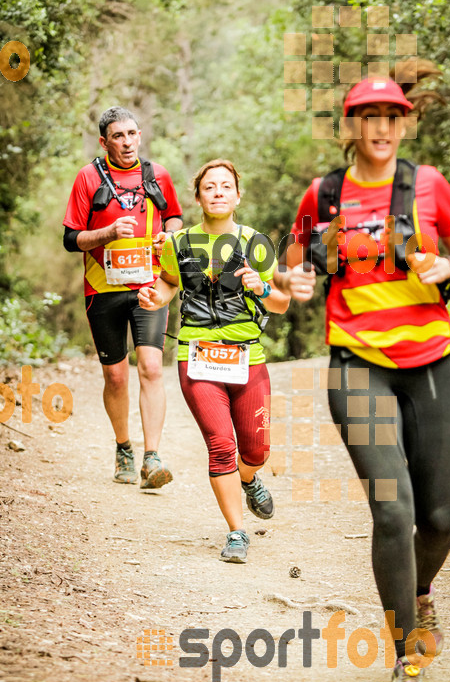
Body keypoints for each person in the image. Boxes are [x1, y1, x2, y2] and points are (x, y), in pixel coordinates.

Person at [274, 63, 450, 682]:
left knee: (441, 519)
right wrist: (295, 282)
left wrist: (448, 265)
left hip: (433, 366)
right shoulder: (325, 196)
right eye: (370, 118)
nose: (382, 128)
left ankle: (419, 595)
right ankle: (405, 658)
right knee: (393, 510)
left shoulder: (430, 188)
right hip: (357, 366)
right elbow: (292, 266)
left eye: (392, 118)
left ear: (403, 122)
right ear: (354, 126)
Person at [138, 159, 290, 562]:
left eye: (226, 186)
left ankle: (250, 476)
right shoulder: (179, 242)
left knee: (256, 449)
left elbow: (282, 301)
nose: (219, 192)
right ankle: (237, 533)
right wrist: (155, 297)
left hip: (247, 357)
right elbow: (169, 282)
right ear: (199, 196)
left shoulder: (257, 243)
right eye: (210, 186)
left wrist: (261, 286)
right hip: (197, 357)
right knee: (221, 445)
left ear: (238, 195)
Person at [63, 106, 183, 488]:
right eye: (119, 136)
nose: (128, 142)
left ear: (140, 135)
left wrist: (170, 235)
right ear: (104, 141)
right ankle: (124, 447)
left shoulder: (157, 175)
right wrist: (108, 233)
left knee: (150, 367)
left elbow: (175, 217)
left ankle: (152, 457)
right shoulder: (88, 178)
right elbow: (70, 239)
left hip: (149, 286)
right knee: (116, 377)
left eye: (133, 134)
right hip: (102, 289)